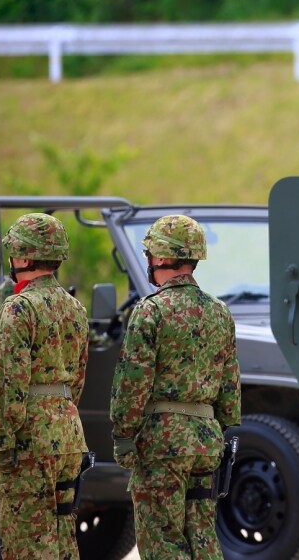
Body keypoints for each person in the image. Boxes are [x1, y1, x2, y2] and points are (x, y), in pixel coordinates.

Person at [111, 215, 240, 559]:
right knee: (203, 537)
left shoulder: (150, 311)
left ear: (162, 259)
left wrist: (124, 436)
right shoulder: (220, 312)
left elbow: (132, 381)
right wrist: (221, 430)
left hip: (162, 442)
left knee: (162, 541)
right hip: (206, 439)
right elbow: (230, 385)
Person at [0, 213, 89, 559]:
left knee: (27, 543)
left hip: (30, 438)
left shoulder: (18, 308)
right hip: (68, 434)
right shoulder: (75, 307)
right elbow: (77, 378)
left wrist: (3, 446)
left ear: (24, 257)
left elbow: (8, 385)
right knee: (63, 539)